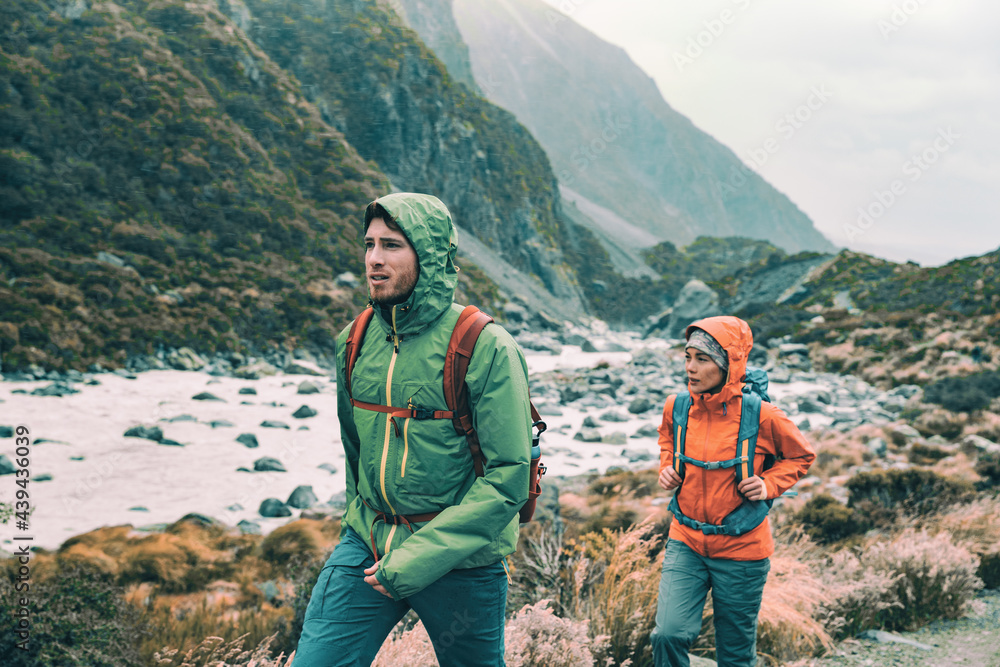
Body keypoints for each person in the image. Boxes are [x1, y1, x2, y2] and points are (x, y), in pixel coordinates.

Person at [293, 193, 532, 666]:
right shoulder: (355, 340)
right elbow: (354, 450)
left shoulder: (484, 347)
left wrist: (415, 559)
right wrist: (355, 527)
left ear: (428, 254)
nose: (374, 259)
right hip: (367, 547)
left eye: (392, 245)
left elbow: (510, 476)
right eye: (369, 245)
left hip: (461, 563)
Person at [650, 316, 815, 667]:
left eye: (702, 359)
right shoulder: (677, 406)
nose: (690, 368)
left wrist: (769, 484)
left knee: (735, 655)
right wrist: (667, 466)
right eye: (687, 356)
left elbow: (801, 456)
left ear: (728, 364)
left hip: (743, 550)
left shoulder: (764, 415)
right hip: (686, 540)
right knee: (667, 634)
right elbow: (667, 438)